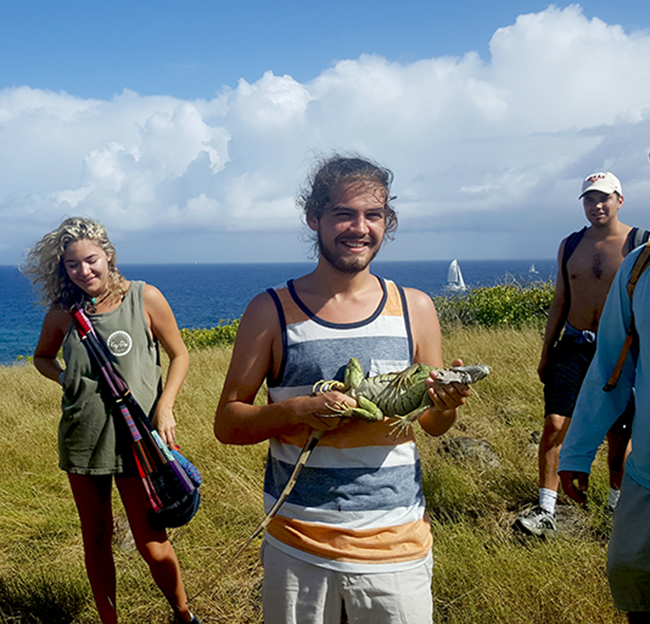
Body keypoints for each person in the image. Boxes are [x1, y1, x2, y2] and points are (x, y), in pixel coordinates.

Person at [214, 154, 470, 624]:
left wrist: (446, 404)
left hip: (396, 544)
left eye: (373, 215)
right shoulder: (269, 310)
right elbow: (228, 423)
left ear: (386, 222)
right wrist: (299, 410)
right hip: (298, 546)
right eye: (343, 214)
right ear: (314, 218)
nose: (359, 227)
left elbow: (433, 426)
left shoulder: (416, 308)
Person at [25, 217, 200, 624]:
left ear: (109, 256)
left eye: (91, 260)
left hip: (138, 441)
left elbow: (181, 354)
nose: (83, 271)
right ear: (63, 268)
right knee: (97, 538)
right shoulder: (63, 313)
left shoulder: (145, 298)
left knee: (151, 542)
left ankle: (183, 613)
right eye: (72, 265)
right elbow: (41, 357)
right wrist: (64, 375)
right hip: (83, 439)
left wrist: (166, 406)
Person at [514, 171, 647, 537]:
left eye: (604, 198)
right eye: (589, 199)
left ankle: (615, 508)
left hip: (623, 351)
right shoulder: (570, 245)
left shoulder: (641, 244)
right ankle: (546, 509)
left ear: (620, 200)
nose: (596, 205)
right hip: (573, 345)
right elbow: (560, 299)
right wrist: (546, 351)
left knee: (620, 433)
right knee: (555, 425)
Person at [558, 239, 650, 622]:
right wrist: (576, 451)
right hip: (645, 479)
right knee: (635, 587)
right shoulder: (638, 268)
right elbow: (610, 367)